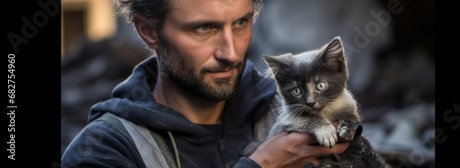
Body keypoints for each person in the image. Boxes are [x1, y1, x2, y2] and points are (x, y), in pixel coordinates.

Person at [62, 0, 387, 167]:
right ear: (149, 32)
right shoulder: (106, 150)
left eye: (241, 23)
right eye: (204, 28)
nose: (230, 52)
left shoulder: (296, 112)